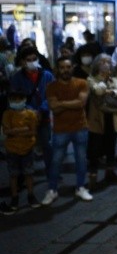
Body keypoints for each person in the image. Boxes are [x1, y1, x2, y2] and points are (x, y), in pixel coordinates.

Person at [43, 57, 92, 205]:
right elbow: (53, 108)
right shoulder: (51, 86)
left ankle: (80, 187)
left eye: (68, 67)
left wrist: (61, 103)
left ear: (72, 67)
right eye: (62, 67)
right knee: (56, 161)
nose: (66, 70)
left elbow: (81, 103)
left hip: (80, 127)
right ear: (57, 69)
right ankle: (52, 190)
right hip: (60, 130)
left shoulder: (82, 83)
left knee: (81, 160)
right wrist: (71, 103)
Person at [10, 46, 54, 178]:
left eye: (34, 59)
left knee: (47, 145)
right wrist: (31, 111)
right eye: (28, 60)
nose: (32, 62)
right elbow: (14, 96)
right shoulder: (17, 78)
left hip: (44, 116)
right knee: (26, 147)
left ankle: (51, 172)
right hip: (25, 118)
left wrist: (41, 109)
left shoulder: (47, 75)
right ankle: (25, 175)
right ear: (23, 62)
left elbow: (52, 95)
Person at [86, 57, 117, 185]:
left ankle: (110, 171)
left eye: (108, 62)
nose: (105, 65)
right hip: (97, 118)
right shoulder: (91, 79)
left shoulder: (113, 79)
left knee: (111, 145)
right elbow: (97, 91)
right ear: (96, 64)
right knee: (95, 148)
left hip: (112, 118)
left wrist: (111, 91)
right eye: (102, 62)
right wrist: (106, 85)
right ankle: (93, 174)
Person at [0, 91, 41, 214]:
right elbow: (7, 131)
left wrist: (15, 131)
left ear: (24, 100)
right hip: (12, 149)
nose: (16, 102)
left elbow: (33, 132)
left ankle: (31, 196)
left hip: (27, 148)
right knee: (14, 175)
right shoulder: (7, 114)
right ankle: (14, 198)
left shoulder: (30, 114)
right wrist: (24, 129)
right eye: (14, 100)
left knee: (29, 173)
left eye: (19, 99)